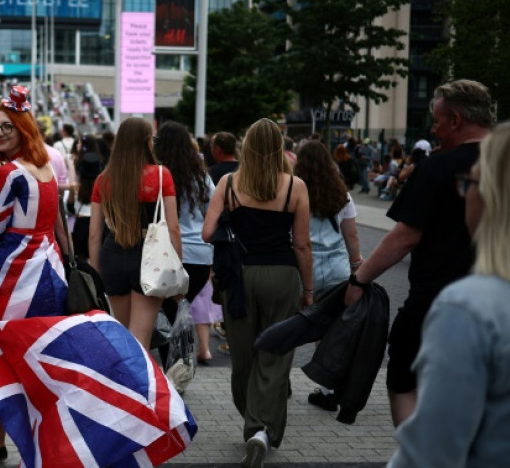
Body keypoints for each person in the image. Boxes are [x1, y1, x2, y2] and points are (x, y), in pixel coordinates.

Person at [0, 87, 196, 465]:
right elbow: (62, 230)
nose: (0, 132)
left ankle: (8, 438)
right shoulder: (47, 171)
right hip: (54, 273)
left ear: (23, 127)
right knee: (60, 358)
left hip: (16, 277)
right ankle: (112, 423)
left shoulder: (11, 173)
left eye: (7, 125)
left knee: (3, 356)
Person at [344, 79, 494, 427]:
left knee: (404, 379)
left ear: (456, 120)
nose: (433, 129)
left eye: (437, 121)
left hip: (439, 305)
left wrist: (359, 279)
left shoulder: (439, 168)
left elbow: (404, 238)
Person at [388, 121, 510, 467]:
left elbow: (431, 449)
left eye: (469, 183)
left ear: (492, 194)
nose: (465, 193)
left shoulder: (470, 309)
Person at [202, 118, 313, 468]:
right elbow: (303, 246)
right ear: (280, 148)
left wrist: (232, 221)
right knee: (276, 354)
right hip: (282, 275)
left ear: (246, 147)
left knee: (243, 355)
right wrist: (308, 289)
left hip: (240, 277)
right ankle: (262, 427)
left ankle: (253, 422)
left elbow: (207, 233)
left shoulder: (229, 182)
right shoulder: (296, 186)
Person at [88, 117, 182, 349]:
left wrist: (97, 270)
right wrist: (177, 264)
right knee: (141, 336)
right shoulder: (161, 175)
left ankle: (121, 383)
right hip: (149, 255)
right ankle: (139, 385)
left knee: (122, 334)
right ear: (146, 142)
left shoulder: (103, 180)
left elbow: (94, 233)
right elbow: (173, 227)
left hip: (113, 253)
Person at [294, 140, 362, 411]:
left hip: (303, 267)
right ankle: (328, 388)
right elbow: (352, 235)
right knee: (332, 330)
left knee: (293, 324)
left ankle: (281, 383)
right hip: (336, 267)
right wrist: (357, 264)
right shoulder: (341, 194)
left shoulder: (295, 191)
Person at [153, 121, 218, 365]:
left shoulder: (157, 176)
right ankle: (178, 368)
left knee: (168, 314)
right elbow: (213, 213)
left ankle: (174, 369)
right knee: (181, 310)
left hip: (166, 253)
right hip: (201, 256)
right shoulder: (202, 178)